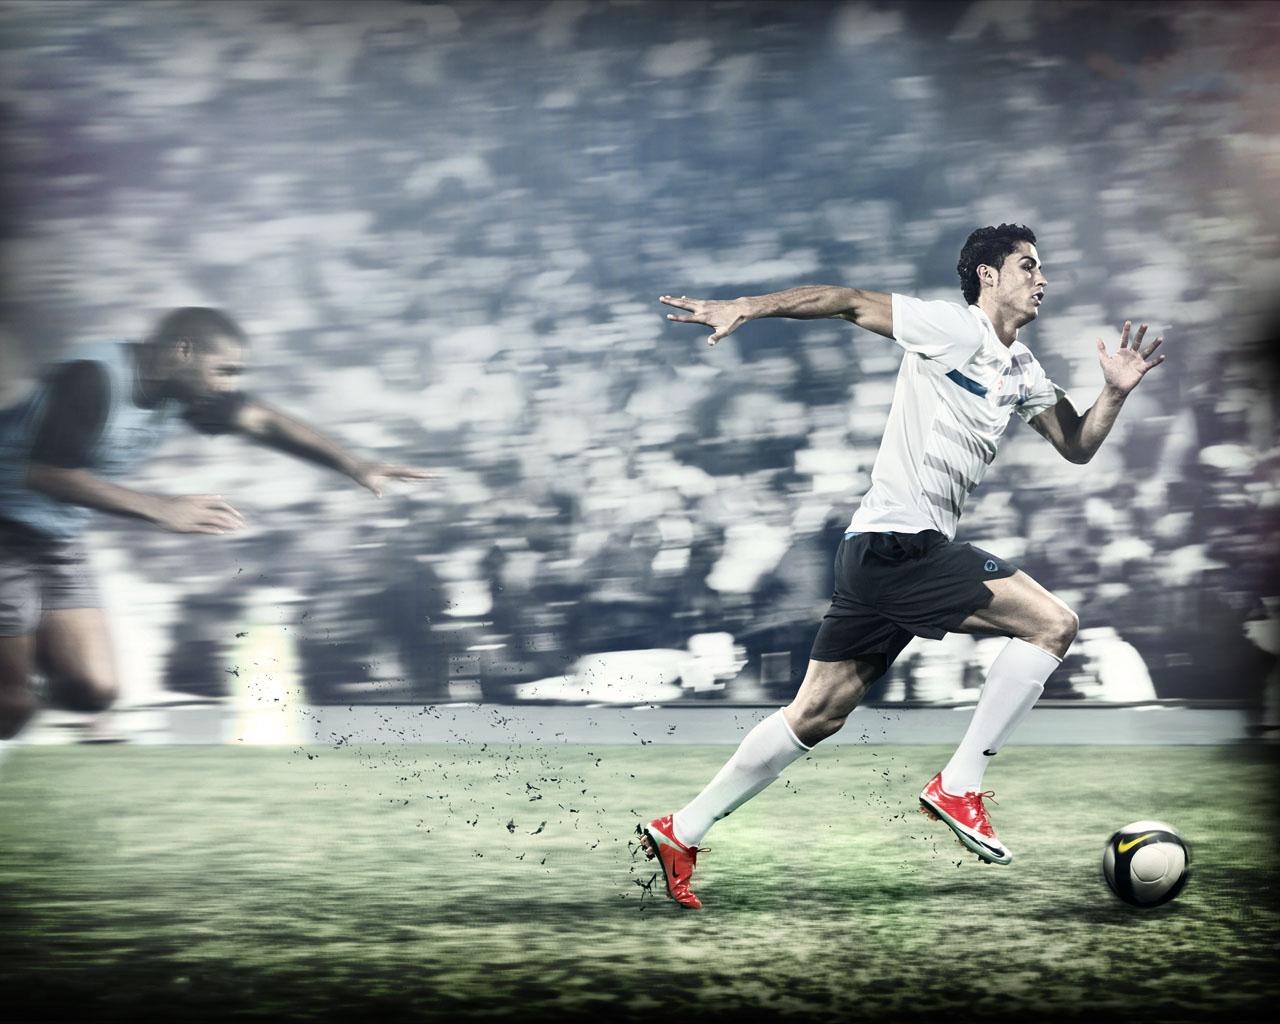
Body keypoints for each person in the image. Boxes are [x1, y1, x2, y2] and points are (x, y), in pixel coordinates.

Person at [639, 224, 1165, 908]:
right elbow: (847, 301)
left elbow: (1076, 444)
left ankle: (681, 830)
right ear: (987, 276)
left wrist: (1115, 392)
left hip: (877, 551)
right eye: (1027, 266)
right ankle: (960, 784)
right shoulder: (952, 328)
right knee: (1052, 625)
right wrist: (747, 305)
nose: (1042, 279)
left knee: (816, 714)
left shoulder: (1023, 369)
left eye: (1041, 268)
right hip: (901, 544)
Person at [0, 307, 431, 745]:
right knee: (12, 706)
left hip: (56, 536)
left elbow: (262, 419)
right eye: (224, 370)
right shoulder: (92, 378)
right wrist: (160, 508)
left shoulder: (178, 392)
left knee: (95, 690)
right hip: (5, 529)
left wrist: (354, 464)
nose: (229, 385)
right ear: (182, 351)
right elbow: (46, 474)